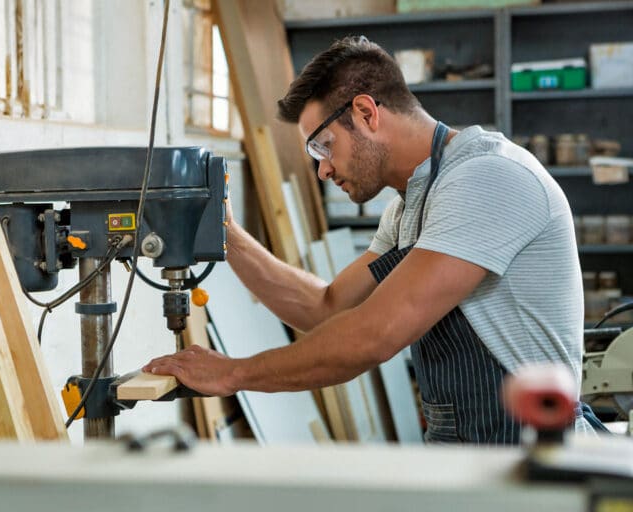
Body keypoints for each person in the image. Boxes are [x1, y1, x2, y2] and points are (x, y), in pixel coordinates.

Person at [144, 36, 599, 443]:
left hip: (529, 455)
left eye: (323, 146)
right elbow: (324, 308)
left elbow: (373, 335)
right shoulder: (409, 205)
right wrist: (225, 232)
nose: (322, 169)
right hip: (462, 451)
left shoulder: (486, 178)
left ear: (365, 112)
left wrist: (233, 374)